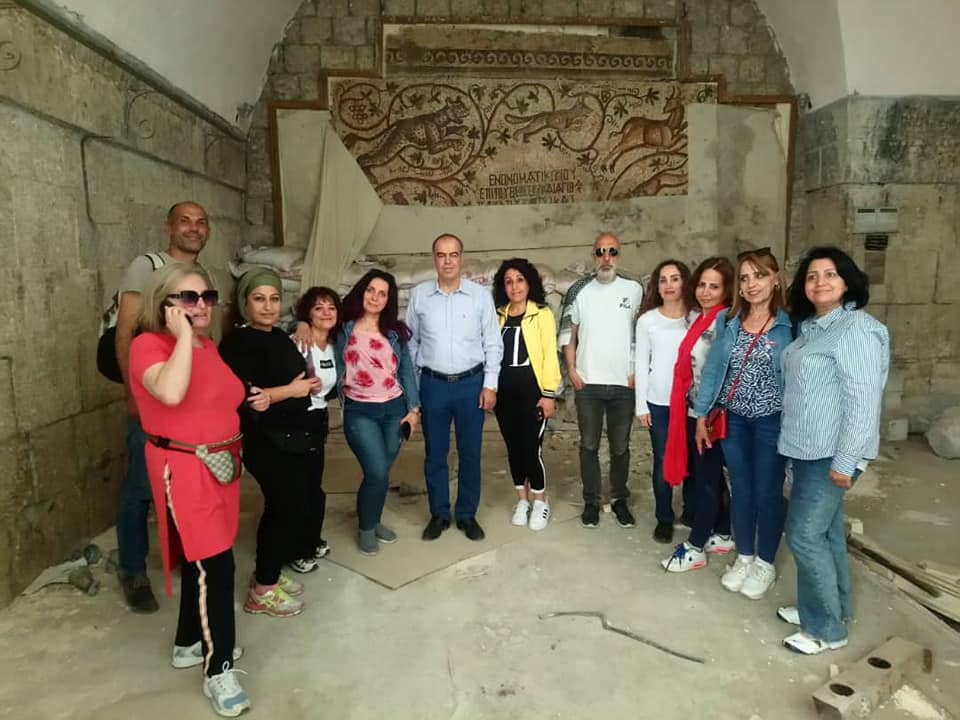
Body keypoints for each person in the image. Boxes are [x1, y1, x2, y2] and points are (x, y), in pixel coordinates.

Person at [128, 263, 249, 716]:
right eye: (188, 298)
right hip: (184, 468)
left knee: (205, 559)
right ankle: (219, 669)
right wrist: (180, 337)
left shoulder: (207, 345)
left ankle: (188, 643)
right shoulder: (148, 345)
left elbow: (223, 394)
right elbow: (172, 393)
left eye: (207, 297)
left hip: (220, 466)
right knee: (215, 566)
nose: (201, 306)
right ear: (164, 304)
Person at [777, 247, 889, 654]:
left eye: (829, 274)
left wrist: (846, 462)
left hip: (831, 452)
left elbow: (863, 402)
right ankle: (830, 608)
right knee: (824, 532)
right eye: (812, 276)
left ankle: (825, 630)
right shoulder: (813, 328)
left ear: (847, 281)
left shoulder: (856, 329)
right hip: (807, 449)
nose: (819, 282)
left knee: (804, 535)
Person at [114, 201, 211, 613]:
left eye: (201, 222)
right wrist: (132, 393)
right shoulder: (147, 267)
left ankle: (181, 554)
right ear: (169, 227)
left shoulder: (202, 276)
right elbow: (126, 331)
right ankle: (132, 569)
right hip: (152, 393)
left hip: (187, 398)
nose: (193, 228)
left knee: (182, 482)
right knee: (141, 485)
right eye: (184, 221)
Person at [219, 269, 324, 618]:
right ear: (244, 302)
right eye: (259, 299)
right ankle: (262, 590)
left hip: (290, 436)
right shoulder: (237, 342)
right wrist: (292, 391)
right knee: (284, 506)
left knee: (293, 504)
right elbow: (245, 395)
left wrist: (307, 385)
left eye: (274, 299)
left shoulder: (277, 335)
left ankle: (270, 573)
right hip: (265, 439)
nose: (268, 306)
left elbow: (289, 378)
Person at [693, 248, 792, 600]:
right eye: (745, 278)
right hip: (733, 419)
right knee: (741, 488)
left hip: (772, 422)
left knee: (768, 491)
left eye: (760, 276)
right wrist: (701, 415)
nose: (752, 284)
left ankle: (765, 562)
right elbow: (713, 371)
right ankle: (745, 555)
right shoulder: (729, 320)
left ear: (775, 279)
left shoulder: (790, 325)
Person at [406, 233, 503, 542]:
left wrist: (490, 384)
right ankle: (439, 514)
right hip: (433, 385)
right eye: (441, 255)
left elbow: (493, 343)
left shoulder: (479, 296)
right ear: (434, 259)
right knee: (435, 452)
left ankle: (466, 514)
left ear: (462, 258)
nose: (447, 261)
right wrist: (414, 390)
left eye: (453, 255)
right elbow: (411, 344)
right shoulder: (420, 296)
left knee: (470, 452)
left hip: (470, 385)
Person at [336, 270, 420, 555]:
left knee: (381, 473)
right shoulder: (343, 327)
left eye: (382, 294)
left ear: (388, 300)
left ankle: (373, 520)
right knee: (376, 470)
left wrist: (414, 409)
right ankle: (366, 529)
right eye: (371, 290)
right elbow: (312, 318)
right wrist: (302, 325)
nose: (375, 297)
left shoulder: (394, 332)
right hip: (360, 410)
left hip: (395, 410)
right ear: (362, 291)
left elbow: (406, 371)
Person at [563, 232, 644, 529]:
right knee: (589, 445)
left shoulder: (635, 289)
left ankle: (620, 499)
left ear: (619, 255)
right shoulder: (578, 290)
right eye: (600, 252)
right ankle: (592, 501)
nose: (606, 258)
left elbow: (642, 333)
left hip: (625, 383)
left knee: (621, 446)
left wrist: (637, 370)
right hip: (589, 383)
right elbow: (568, 334)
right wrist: (572, 370)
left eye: (612, 251)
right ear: (593, 255)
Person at [660, 257, 736, 571]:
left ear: (727, 290)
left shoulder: (724, 323)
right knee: (712, 477)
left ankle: (696, 546)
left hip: (711, 416)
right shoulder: (701, 319)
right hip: (694, 410)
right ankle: (723, 533)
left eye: (714, 286)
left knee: (706, 480)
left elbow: (721, 374)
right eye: (702, 285)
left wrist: (704, 415)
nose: (706, 292)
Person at [492, 258, 562, 531]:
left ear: (529, 282)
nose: (515, 286)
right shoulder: (498, 315)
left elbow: (550, 357)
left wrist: (549, 394)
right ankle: (522, 500)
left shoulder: (542, 314)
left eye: (520, 280)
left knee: (531, 449)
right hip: (504, 396)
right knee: (513, 449)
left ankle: (540, 501)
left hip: (533, 394)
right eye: (509, 282)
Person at [634, 259, 692, 543]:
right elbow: (641, 363)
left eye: (675, 278)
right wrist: (641, 404)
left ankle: (692, 510)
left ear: (685, 283)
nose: (669, 285)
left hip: (691, 401)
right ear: (656, 286)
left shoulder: (696, 318)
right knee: (663, 460)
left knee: (694, 459)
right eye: (663, 280)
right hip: (659, 401)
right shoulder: (647, 321)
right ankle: (664, 518)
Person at [286, 286, 342, 573]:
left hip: (318, 420)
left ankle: (311, 539)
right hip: (295, 421)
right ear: (307, 313)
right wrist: (298, 324)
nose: (326, 313)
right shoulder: (297, 342)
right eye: (318, 308)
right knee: (297, 489)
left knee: (313, 487)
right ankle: (296, 550)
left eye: (331, 307)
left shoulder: (335, 346)